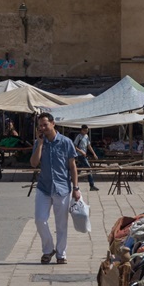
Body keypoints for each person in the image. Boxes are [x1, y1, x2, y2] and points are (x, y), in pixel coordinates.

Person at [30, 112, 81, 265]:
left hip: (62, 188)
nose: (43, 128)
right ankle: (48, 249)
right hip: (44, 188)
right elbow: (33, 163)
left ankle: (61, 253)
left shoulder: (66, 142)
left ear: (53, 124)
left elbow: (72, 167)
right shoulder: (39, 143)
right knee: (40, 220)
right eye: (40, 126)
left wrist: (76, 188)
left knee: (61, 224)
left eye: (45, 125)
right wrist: (39, 144)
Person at [73, 124, 99, 191]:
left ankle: (72, 180)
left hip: (84, 155)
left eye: (87, 131)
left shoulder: (86, 136)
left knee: (78, 170)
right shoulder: (79, 137)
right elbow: (74, 146)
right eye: (85, 130)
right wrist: (81, 151)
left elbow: (89, 146)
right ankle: (92, 185)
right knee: (88, 168)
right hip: (80, 155)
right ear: (82, 130)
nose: (86, 132)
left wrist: (94, 154)